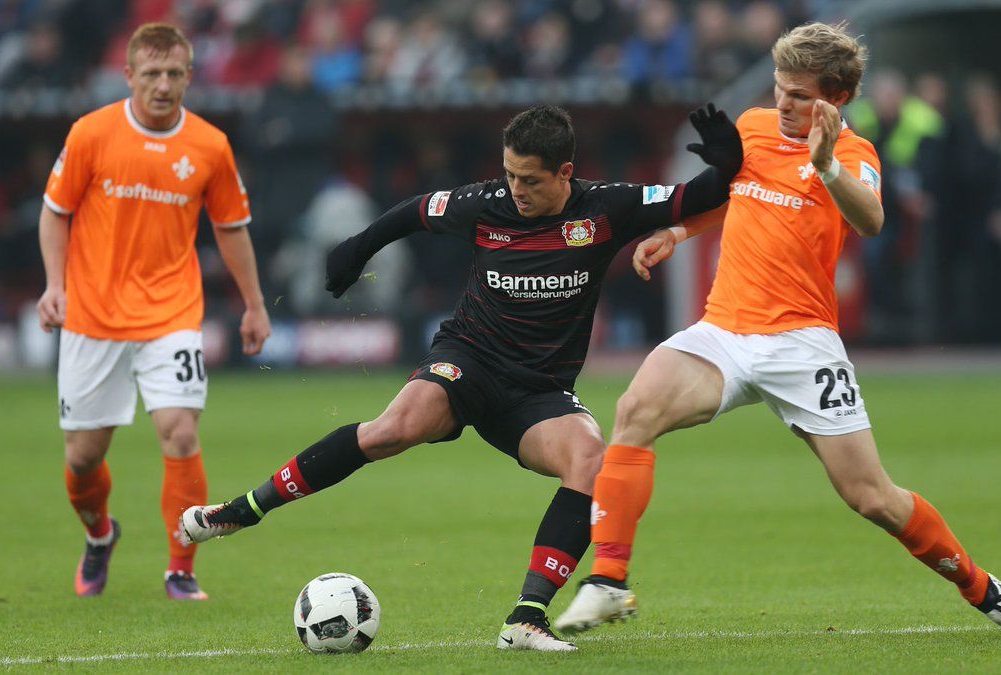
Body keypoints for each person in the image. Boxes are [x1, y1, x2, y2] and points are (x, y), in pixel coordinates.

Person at [179, 103, 744, 651]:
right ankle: (238, 512)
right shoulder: (486, 203)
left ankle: (527, 618)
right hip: (468, 359)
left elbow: (698, 197)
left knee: (591, 461)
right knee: (391, 430)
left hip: (538, 391)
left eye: (528, 179)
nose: (514, 189)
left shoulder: (608, 208)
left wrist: (725, 163)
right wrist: (357, 249)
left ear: (565, 172)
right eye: (508, 174)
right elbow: (415, 210)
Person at [554, 22, 1001, 640]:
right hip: (725, 329)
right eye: (778, 88)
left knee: (872, 498)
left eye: (797, 94)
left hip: (802, 343)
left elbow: (870, 220)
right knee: (635, 409)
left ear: (836, 98)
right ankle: (608, 582)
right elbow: (734, 191)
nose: (782, 103)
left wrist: (825, 165)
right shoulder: (756, 126)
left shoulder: (855, 155)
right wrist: (678, 231)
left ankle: (984, 589)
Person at [37, 23, 271, 601]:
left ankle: (181, 567)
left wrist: (254, 305)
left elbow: (231, 229)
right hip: (92, 316)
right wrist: (53, 286)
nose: (163, 85)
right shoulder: (91, 134)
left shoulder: (210, 146)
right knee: (83, 457)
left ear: (190, 76)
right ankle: (100, 535)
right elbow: (54, 213)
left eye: (174, 74)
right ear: (129, 76)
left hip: (171, 314)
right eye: (151, 74)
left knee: (181, 434)